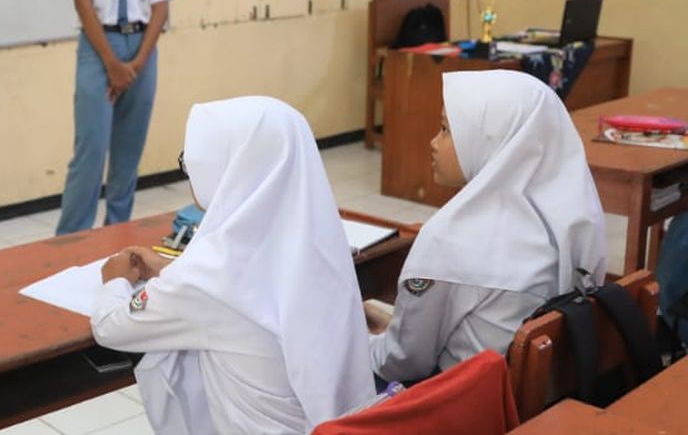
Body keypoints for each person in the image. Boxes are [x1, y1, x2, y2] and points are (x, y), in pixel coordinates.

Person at [91, 96, 375, 434]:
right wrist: (170, 271)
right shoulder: (319, 241)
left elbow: (111, 327)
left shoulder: (205, 278)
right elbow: (246, 294)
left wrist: (114, 281)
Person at [365, 70, 607, 383]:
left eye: (445, 130)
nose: (434, 143)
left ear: (493, 139)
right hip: (540, 395)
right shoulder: (577, 215)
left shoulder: (450, 239)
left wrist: (362, 345)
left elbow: (403, 362)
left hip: (460, 402)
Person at [57, 0, 173, 235]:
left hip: (140, 49)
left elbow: (160, 6)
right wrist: (111, 63)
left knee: (128, 155)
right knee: (90, 154)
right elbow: (82, 1)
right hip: (99, 48)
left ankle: (116, 237)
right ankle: (70, 242)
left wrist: (137, 64)